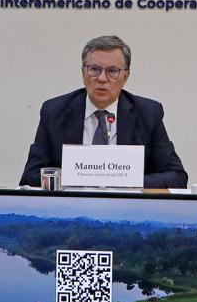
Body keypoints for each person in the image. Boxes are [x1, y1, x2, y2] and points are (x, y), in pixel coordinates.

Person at [20, 35, 187, 188]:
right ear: (83, 72)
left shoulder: (148, 113)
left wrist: (126, 180)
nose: (101, 78)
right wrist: (78, 177)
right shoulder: (54, 111)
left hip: (127, 209)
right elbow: (30, 177)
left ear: (125, 77)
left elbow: (177, 177)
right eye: (94, 69)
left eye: (112, 71)